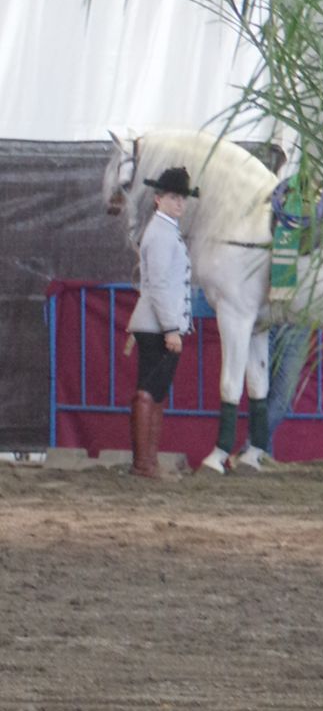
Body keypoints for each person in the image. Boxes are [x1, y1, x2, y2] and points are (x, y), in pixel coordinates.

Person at [125, 166, 197, 479]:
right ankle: (144, 464)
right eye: (173, 197)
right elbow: (156, 285)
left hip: (159, 324)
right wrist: (171, 328)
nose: (179, 203)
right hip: (157, 326)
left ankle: (148, 462)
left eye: (182, 198)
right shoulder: (160, 233)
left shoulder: (165, 231)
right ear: (158, 199)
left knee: (155, 392)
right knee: (149, 391)